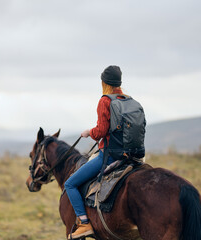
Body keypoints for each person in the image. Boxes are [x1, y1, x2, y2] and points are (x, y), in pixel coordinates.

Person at [64, 65, 143, 239]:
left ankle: (84, 223)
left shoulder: (105, 101)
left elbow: (101, 131)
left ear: (104, 82)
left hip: (110, 156)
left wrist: (88, 132)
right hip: (132, 156)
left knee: (70, 184)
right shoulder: (128, 100)